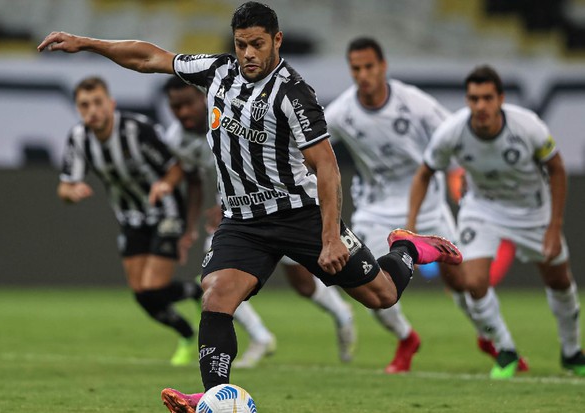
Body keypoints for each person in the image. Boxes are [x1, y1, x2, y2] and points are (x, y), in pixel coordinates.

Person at [38, 3, 462, 411]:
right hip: (242, 221)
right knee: (217, 295)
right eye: (241, 44)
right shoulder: (218, 71)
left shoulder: (294, 95)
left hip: (299, 214)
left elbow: (327, 167)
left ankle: (407, 246)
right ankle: (214, 399)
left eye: (257, 44)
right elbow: (151, 57)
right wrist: (86, 43)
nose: (247, 54)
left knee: (381, 295)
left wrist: (330, 235)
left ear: (277, 40)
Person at [324, 37, 527, 374]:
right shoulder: (341, 113)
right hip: (376, 212)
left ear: (383, 66)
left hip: (429, 207)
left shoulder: (414, 103)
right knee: (371, 290)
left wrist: (463, 180)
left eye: (369, 67)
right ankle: (406, 339)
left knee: (464, 283)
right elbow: (310, 146)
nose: (363, 75)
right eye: (356, 69)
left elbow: (455, 139)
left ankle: (495, 340)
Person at [162, 75, 356, 368]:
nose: (184, 112)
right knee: (214, 284)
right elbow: (194, 180)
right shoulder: (177, 139)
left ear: (204, 97)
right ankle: (260, 336)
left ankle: (341, 313)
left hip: (285, 206)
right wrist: (198, 220)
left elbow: (296, 155)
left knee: (303, 284)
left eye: (188, 103)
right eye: (176, 107)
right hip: (238, 216)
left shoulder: (239, 113)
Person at [408, 65, 585, 379]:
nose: (481, 106)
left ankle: (572, 352)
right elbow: (424, 173)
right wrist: (410, 226)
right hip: (482, 209)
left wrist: (555, 226)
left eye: (487, 98)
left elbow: (556, 169)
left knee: (559, 281)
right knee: (473, 283)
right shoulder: (452, 132)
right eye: (474, 99)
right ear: (467, 100)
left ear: (500, 98)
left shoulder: (528, 126)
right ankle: (506, 350)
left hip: (533, 212)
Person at [57, 76, 203, 367]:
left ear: (110, 104)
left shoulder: (137, 130)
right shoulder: (78, 138)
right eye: (84, 105)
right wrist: (71, 192)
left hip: (166, 212)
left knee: (153, 287)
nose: (92, 111)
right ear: (77, 109)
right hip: (130, 218)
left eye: (98, 102)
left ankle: (197, 295)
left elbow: (177, 168)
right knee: (142, 295)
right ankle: (187, 329)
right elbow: (63, 186)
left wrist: (164, 185)